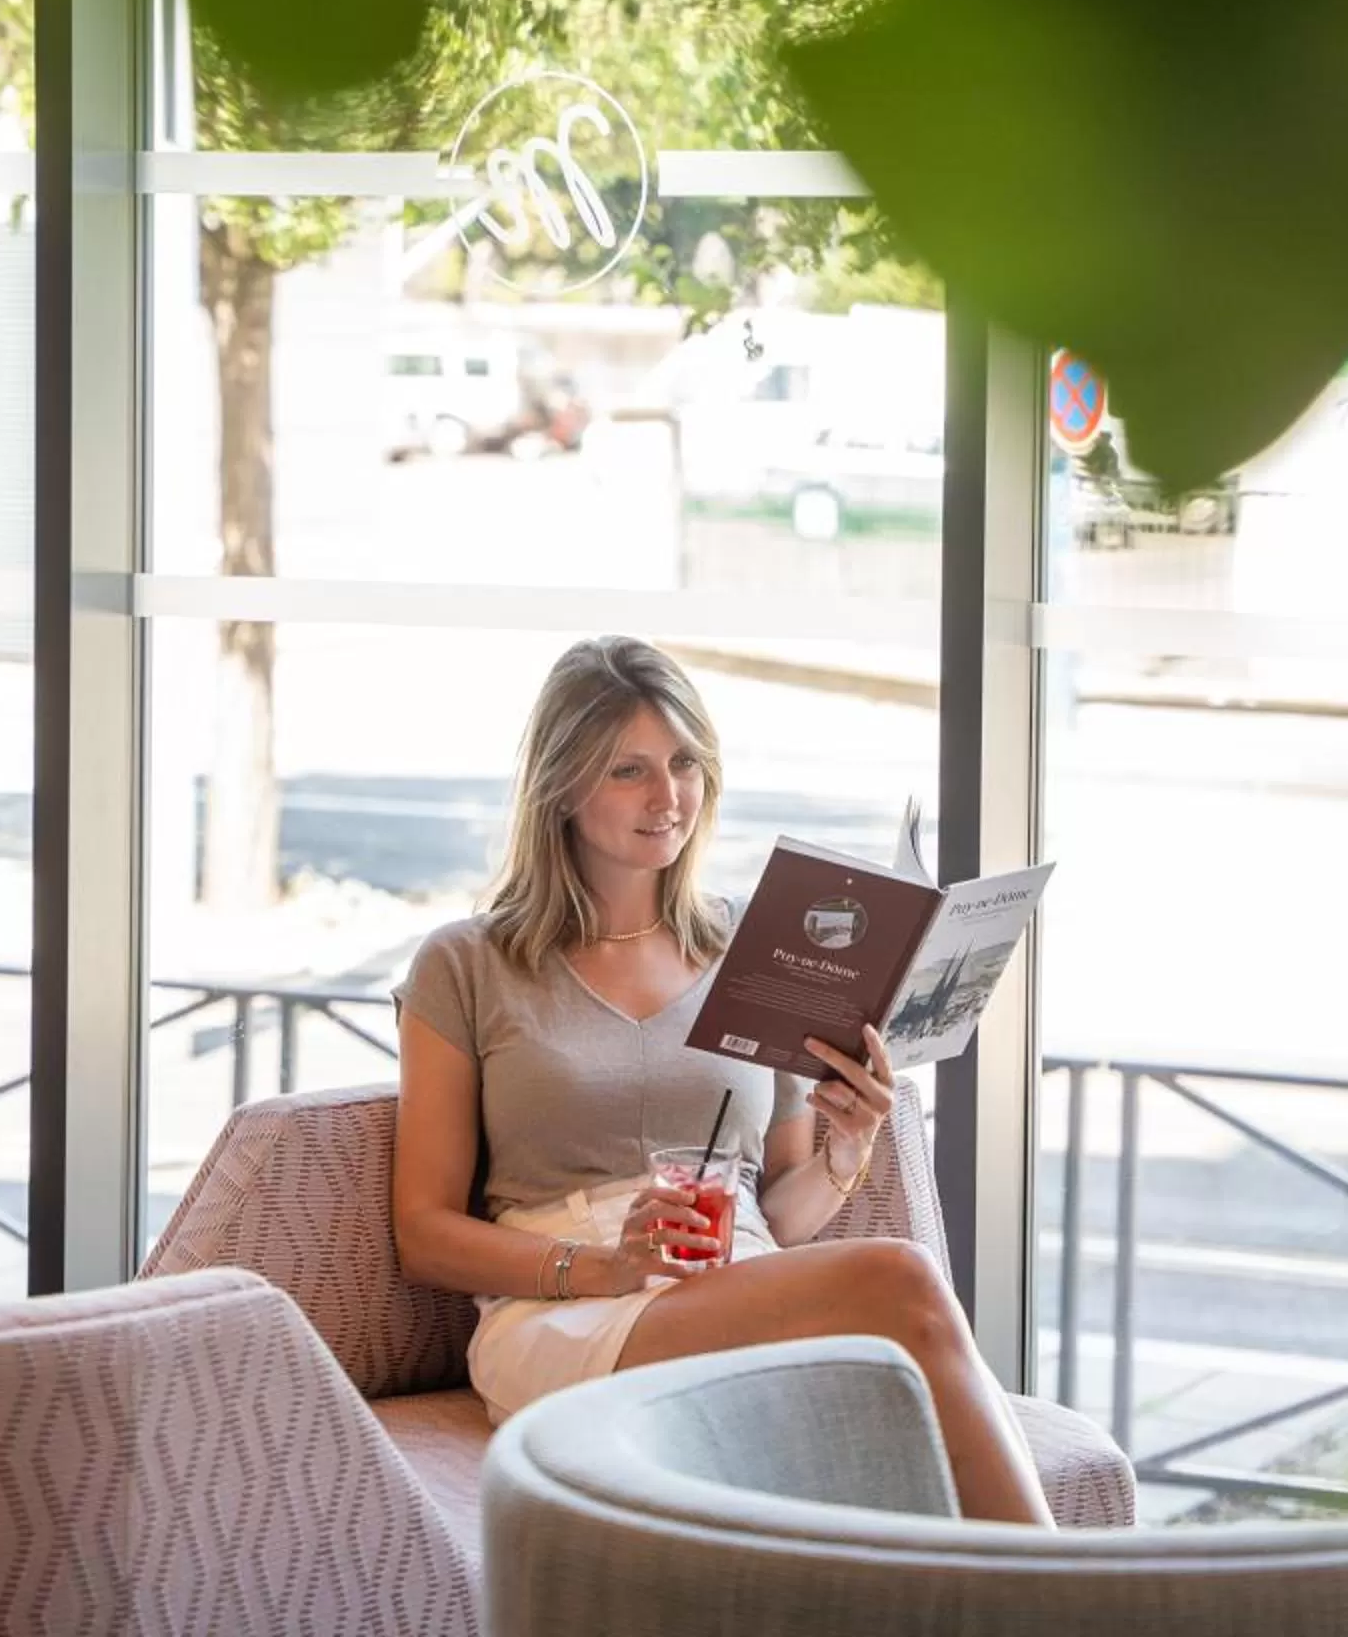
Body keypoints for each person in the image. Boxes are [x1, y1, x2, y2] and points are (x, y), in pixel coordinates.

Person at [392, 635, 1053, 1525]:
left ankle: (1021, 1580)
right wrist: (601, 1268)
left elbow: (778, 1211)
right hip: (568, 1307)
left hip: (734, 1274)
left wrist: (846, 1152)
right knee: (901, 1282)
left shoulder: (753, 946)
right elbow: (424, 1234)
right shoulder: (467, 964)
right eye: (629, 769)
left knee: (898, 1376)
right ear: (563, 785)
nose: (668, 797)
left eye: (685, 764)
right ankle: (1061, 1581)